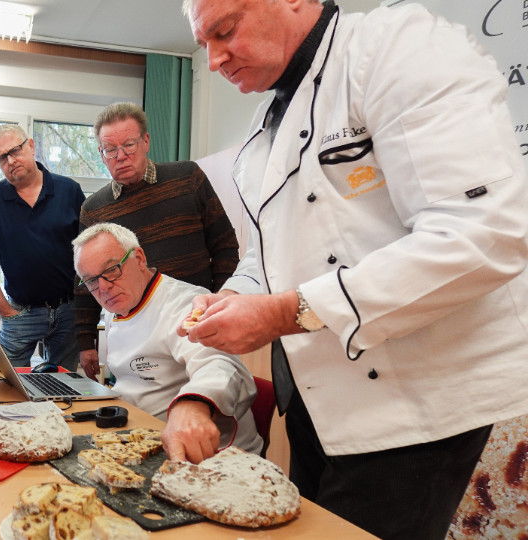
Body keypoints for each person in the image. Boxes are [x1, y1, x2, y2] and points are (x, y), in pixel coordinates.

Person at [182, 0, 528, 538]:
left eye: (224, 31)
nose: (213, 60)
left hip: (412, 404)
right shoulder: (265, 126)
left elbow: (482, 233)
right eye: (203, 44)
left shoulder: (396, 47)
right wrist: (230, 297)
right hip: (319, 404)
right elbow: (267, 255)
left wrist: (284, 312)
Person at [75, 102, 239, 381]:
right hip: (135, 333)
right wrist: (85, 340)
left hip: (194, 321)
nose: (121, 156)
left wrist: (217, 304)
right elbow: (88, 279)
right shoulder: (94, 209)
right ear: (101, 155)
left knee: (209, 384)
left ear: (146, 141)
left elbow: (225, 246)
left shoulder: (188, 177)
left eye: (129, 145)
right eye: (110, 150)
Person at [73, 223, 261, 463]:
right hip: (140, 433)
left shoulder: (185, 304)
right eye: (90, 281)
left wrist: (194, 403)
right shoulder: (117, 305)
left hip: (208, 457)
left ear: (139, 258)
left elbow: (219, 363)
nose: (103, 287)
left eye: (112, 270)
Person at [0, 124, 85, 371]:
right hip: (20, 313)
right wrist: (2, 308)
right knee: (4, 383)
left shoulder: (69, 191)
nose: (11, 161)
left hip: (67, 310)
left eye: (15, 151)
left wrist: (85, 307)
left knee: (63, 388)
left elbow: (89, 252)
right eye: (2, 158)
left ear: (31, 146)